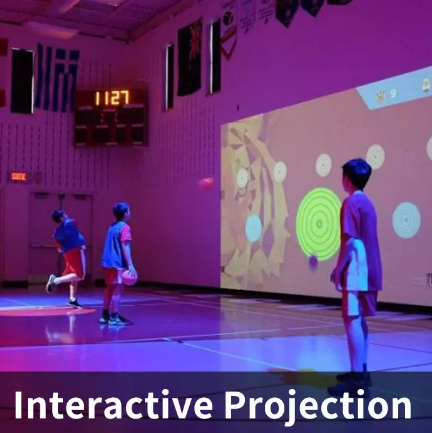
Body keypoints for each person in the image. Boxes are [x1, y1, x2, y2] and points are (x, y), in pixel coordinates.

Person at [327, 158, 382, 398]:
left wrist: (339, 268)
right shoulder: (368, 203)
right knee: (359, 321)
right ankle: (360, 371)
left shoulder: (350, 202)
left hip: (358, 270)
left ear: (347, 179)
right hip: (370, 267)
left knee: (352, 320)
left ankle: (357, 380)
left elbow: (349, 241)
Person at [99, 202, 137, 325]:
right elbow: (125, 246)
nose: (130, 213)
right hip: (117, 263)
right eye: (129, 211)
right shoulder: (125, 227)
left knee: (109, 288)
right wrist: (130, 265)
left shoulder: (111, 226)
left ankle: (104, 315)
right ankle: (114, 316)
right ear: (125, 214)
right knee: (117, 289)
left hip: (107, 262)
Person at [46, 210, 86, 308]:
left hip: (67, 253)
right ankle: (55, 280)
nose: (67, 215)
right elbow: (75, 222)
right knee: (80, 275)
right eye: (65, 215)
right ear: (61, 218)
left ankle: (72, 299)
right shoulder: (70, 222)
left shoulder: (57, 232)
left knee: (73, 275)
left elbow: (59, 249)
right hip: (76, 250)